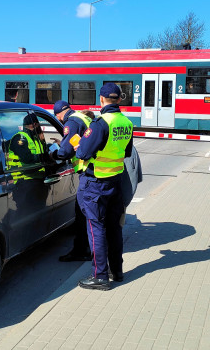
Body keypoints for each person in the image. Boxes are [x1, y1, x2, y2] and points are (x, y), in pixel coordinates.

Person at [74, 83, 134, 290]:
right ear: (118, 100)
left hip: (96, 183)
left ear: (101, 99)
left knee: (95, 228)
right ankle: (116, 271)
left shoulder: (100, 123)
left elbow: (82, 154)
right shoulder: (126, 122)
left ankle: (99, 276)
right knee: (114, 227)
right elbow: (126, 153)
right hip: (115, 181)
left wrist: (79, 145)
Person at [51, 100, 93, 262]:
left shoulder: (71, 122)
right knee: (86, 212)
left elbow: (66, 151)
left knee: (82, 212)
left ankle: (82, 250)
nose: (60, 121)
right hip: (94, 170)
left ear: (58, 114)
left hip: (88, 172)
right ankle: (85, 248)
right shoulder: (82, 117)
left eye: (58, 118)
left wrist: (54, 155)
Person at [6, 114, 46, 182]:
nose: (40, 129)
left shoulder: (35, 139)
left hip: (37, 178)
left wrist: (43, 142)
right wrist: (46, 157)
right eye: (39, 126)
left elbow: (41, 152)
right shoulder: (20, 138)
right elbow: (26, 158)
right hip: (23, 180)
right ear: (34, 124)